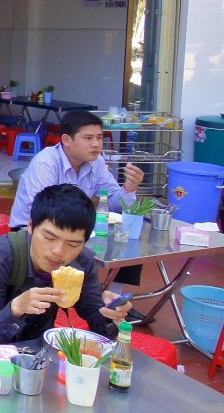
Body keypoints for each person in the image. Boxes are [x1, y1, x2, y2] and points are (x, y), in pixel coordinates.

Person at [0, 184, 132, 351]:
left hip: (37, 341)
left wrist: (111, 315)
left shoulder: (81, 263)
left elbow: (99, 325)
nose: (58, 252)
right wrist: (15, 309)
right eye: (49, 237)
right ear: (31, 226)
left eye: (72, 244)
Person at [9, 110, 147, 317]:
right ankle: (88, 304)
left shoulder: (96, 163)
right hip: (35, 229)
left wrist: (128, 188)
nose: (96, 144)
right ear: (66, 140)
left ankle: (113, 300)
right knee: (82, 257)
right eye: (88, 138)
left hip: (77, 230)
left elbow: (115, 204)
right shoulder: (46, 162)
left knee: (127, 243)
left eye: (99, 138)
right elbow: (43, 211)